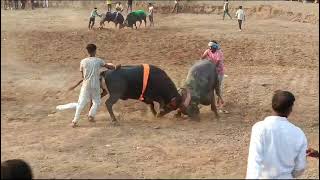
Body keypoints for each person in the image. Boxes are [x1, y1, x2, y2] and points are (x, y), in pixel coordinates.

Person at [246, 90, 308, 179]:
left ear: (272, 106)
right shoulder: (298, 133)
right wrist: (288, 175)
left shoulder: (259, 128)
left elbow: (254, 161)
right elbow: (300, 167)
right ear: (290, 109)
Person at [71, 44, 120, 128]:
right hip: (95, 84)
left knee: (81, 103)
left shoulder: (83, 61)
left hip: (86, 85)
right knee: (96, 102)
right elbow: (109, 67)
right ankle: (91, 115)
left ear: (87, 51)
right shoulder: (98, 60)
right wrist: (116, 67)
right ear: (95, 51)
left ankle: (74, 121)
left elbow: (82, 76)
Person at [201, 40, 226, 113]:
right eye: (209, 47)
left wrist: (211, 68)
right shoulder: (208, 51)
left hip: (219, 72)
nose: (210, 48)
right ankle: (216, 101)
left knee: (218, 87)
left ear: (215, 47)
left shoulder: (219, 53)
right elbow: (202, 57)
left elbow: (217, 63)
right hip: (212, 72)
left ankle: (219, 102)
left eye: (211, 47)